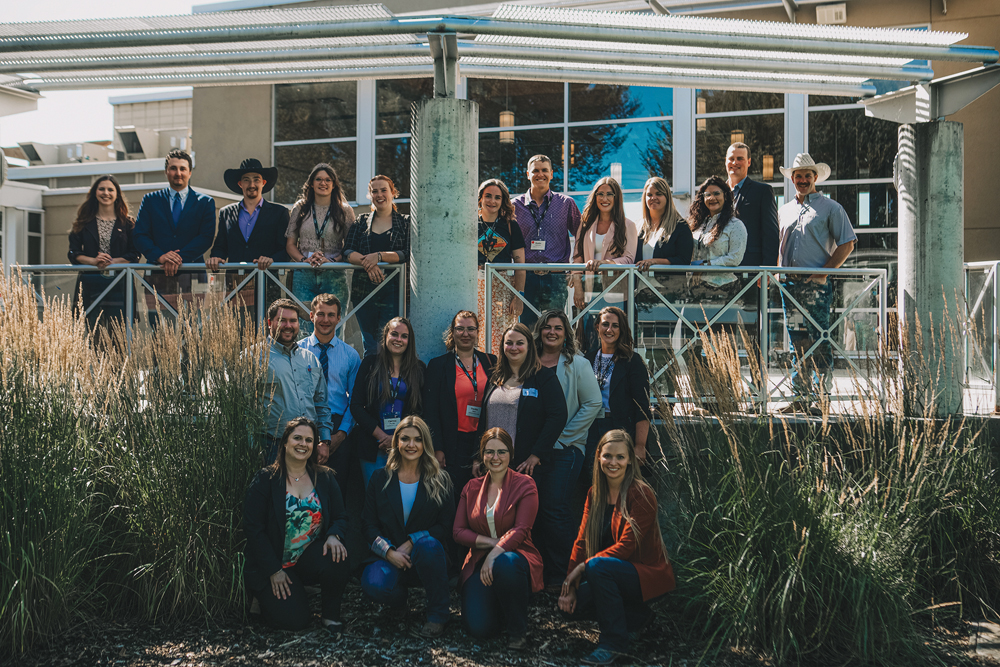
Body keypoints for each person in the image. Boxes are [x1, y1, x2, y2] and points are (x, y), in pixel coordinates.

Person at [559, 430, 675, 666]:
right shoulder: (594, 494)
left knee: (598, 566)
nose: (613, 463)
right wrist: (569, 585)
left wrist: (583, 567)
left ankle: (613, 644)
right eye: (608, 456)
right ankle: (636, 617)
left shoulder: (641, 493)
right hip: (609, 572)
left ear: (630, 459)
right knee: (570, 607)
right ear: (599, 457)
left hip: (646, 575)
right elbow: (581, 541)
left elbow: (627, 545)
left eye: (620, 457)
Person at [242, 417, 350, 633]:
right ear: (285, 443)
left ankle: (330, 616)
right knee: (296, 622)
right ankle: (262, 597)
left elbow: (340, 517)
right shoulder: (266, 479)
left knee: (336, 554)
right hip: (272, 564)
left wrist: (333, 536)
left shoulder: (325, 478)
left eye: (309, 440)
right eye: (297, 438)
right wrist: (273, 570)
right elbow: (253, 529)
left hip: (306, 559)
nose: (303, 444)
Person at [361, 415, 455, 638]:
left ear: (425, 444)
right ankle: (398, 603)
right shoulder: (379, 478)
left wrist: (414, 541)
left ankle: (438, 614)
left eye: (417, 439)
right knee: (373, 583)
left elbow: (445, 525)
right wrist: (388, 552)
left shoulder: (441, 479)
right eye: (405, 439)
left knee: (429, 545)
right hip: (390, 558)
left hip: (428, 559)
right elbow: (368, 524)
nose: (411, 445)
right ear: (397, 442)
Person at [777, 153, 857, 414]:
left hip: (816, 286)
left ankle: (821, 398)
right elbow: (780, 246)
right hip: (789, 286)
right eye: (798, 176)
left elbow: (847, 243)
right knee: (796, 341)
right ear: (792, 178)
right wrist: (777, 273)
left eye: (807, 176)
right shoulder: (784, 210)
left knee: (819, 339)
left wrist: (825, 272)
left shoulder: (831, 208)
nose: (802, 180)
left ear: (815, 178)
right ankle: (800, 397)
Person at [453, 428, 543, 649]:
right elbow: (458, 531)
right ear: (482, 455)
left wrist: (497, 553)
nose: (495, 458)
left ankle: (517, 632)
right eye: (489, 452)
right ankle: (499, 609)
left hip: (515, 556)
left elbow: (521, 529)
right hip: (479, 561)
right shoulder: (471, 487)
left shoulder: (525, 484)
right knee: (479, 629)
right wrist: (493, 545)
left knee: (506, 563)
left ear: (511, 454)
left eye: (501, 452)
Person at [534, 310, 603, 586]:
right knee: (534, 509)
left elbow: (593, 404)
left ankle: (565, 574)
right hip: (534, 450)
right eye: (547, 327)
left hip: (566, 448)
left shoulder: (578, 364)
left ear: (566, 334)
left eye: (558, 328)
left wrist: (563, 437)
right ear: (539, 331)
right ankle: (540, 571)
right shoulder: (529, 361)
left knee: (554, 508)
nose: (552, 332)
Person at [478, 323, 567, 479]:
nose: (514, 348)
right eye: (509, 343)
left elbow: (558, 416)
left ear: (529, 347)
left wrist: (536, 454)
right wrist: (476, 456)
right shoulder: (494, 377)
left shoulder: (544, 377)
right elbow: (483, 420)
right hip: (492, 463)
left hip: (524, 466)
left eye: (520, 343)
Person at [133, 149, 216, 316]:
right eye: (173, 168)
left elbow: (206, 237)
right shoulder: (150, 200)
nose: (178, 173)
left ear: (190, 172)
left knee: (193, 332)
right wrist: (161, 256)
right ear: (166, 172)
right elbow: (140, 235)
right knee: (159, 332)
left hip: (192, 275)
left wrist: (179, 259)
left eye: (183, 169)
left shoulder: (205, 202)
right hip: (157, 274)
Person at [423, 310, 496, 498]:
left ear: (478, 332)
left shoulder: (491, 362)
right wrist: (437, 448)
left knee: (479, 497)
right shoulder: (438, 366)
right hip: (451, 444)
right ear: (452, 332)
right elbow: (430, 410)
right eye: (460, 329)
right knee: (451, 497)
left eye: (471, 329)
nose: (465, 334)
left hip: (482, 441)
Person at [256, 298, 333, 465]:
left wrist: (324, 440)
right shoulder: (254, 358)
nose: (288, 325)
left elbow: (321, 404)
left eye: (293, 320)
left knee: (306, 491)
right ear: (270, 322)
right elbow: (245, 407)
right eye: (282, 320)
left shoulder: (310, 359)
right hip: (272, 446)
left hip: (308, 446)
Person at [350, 316, 424, 488]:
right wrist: (382, 436)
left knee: (400, 497)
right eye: (394, 334)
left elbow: (420, 410)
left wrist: (397, 438)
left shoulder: (418, 369)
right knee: (374, 497)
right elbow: (355, 405)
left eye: (404, 336)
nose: (399, 339)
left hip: (406, 447)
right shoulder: (369, 364)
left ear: (409, 340)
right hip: (372, 446)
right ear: (386, 336)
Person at [207, 158, 289, 311]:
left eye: (256, 180)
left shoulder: (280, 213)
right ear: (240, 184)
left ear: (263, 183)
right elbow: (220, 247)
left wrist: (271, 259)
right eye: (246, 180)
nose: (252, 185)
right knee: (237, 331)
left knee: (266, 331)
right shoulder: (226, 213)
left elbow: (285, 250)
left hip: (267, 281)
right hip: (234, 284)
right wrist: (216, 257)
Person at [298, 293, 361, 488]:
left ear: (339, 318)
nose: (326, 320)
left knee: (336, 488)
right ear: (311, 316)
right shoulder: (297, 351)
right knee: (303, 486)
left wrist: (342, 434)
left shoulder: (350, 355)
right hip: (304, 422)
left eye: (331, 315)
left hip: (338, 425)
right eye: (321, 314)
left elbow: (356, 399)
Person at [512, 155, 581, 329]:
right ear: (528, 174)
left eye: (544, 170)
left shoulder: (566, 203)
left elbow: (582, 236)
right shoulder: (514, 206)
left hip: (556, 277)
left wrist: (575, 269)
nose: (540, 174)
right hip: (525, 277)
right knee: (528, 329)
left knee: (555, 329)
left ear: (551, 174)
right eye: (535, 170)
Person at [285, 163, 356, 331]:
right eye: (318, 179)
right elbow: (290, 244)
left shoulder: (345, 210)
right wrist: (304, 259)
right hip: (304, 274)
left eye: (327, 180)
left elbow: (351, 246)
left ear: (334, 184)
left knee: (334, 328)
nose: (323, 183)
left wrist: (330, 260)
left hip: (335, 274)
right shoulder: (300, 207)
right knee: (304, 328)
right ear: (311, 183)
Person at [344, 175, 409, 357]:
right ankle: (371, 384)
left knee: (390, 344)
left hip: (394, 291)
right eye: (374, 191)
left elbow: (406, 253)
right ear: (370, 195)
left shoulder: (405, 222)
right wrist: (369, 263)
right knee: (371, 347)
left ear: (393, 193)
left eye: (383, 190)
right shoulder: (360, 221)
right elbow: (348, 251)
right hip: (364, 292)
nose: (379, 194)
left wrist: (378, 256)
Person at [571, 177, 638, 352]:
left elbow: (629, 259)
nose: (605, 199)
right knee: (589, 341)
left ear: (617, 198)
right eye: (600, 194)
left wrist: (605, 263)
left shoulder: (628, 225)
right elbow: (577, 258)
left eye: (609, 194)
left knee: (614, 343)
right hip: (589, 292)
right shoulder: (585, 224)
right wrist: (578, 287)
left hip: (616, 293)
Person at [67, 174, 139, 330]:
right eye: (102, 189)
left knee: (118, 339)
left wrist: (112, 262)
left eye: (110, 190)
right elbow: (73, 253)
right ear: (95, 193)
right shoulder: (83, 222)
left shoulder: (128, 223)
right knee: (94, 337)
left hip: (120, 285)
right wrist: (93, 261)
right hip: (91, 284)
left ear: (117, 195)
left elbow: (135, 254)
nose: (106, 193)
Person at [584, 307, 652, 467]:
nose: (609, 329)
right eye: (605, 324)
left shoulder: (633, 361)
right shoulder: (587, 359)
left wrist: (640, 446)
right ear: (597, 327)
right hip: (591, 428)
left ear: (621, 329)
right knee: (591, 480)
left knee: (620, 481)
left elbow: (642, 407)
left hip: (621, 429)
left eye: (615, 325)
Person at [477, 179, 525, 355]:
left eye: (497, 197)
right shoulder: (470, 224)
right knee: (476, 331)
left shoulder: (511, 226)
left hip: (503, 288)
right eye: (488, 196)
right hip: (474, 287)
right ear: (480, 198)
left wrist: (519, 296)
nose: (492, 201)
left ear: (503, 201)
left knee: (502, 334)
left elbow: (521, 265)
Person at [687, 176, 747, 302]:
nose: (712, 198)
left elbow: (735, 258)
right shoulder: (696, 225)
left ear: (725, 196)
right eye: (707, 194)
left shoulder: (735, 225)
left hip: (724, 289)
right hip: (696, 289)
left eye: (716, 194)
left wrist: (706, 265)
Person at [726, 142, 779, 268]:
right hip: (719, 267)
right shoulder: (717, 193)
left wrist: (768, 270)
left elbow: (770, 234)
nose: (735, 163)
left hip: (750, 268)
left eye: (740, 159)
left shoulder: (762, 191)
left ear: (749, 162)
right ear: (725, 161)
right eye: (731, 159)